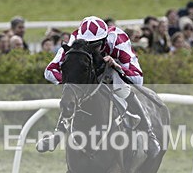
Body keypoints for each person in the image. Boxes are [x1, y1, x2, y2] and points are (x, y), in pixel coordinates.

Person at [38, 16, 161, 156]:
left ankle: (148, 134)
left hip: (113, 67)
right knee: (71, 92)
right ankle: (57, 134)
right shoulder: (75, 41)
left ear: (104, 40)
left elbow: (137, 79)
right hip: (88, 72)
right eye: (87, 44)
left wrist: (116, 65)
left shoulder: (118, 39)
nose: (90, 49)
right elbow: (50, 71)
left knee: (121, 90)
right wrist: (72, 83)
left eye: (94, 46)